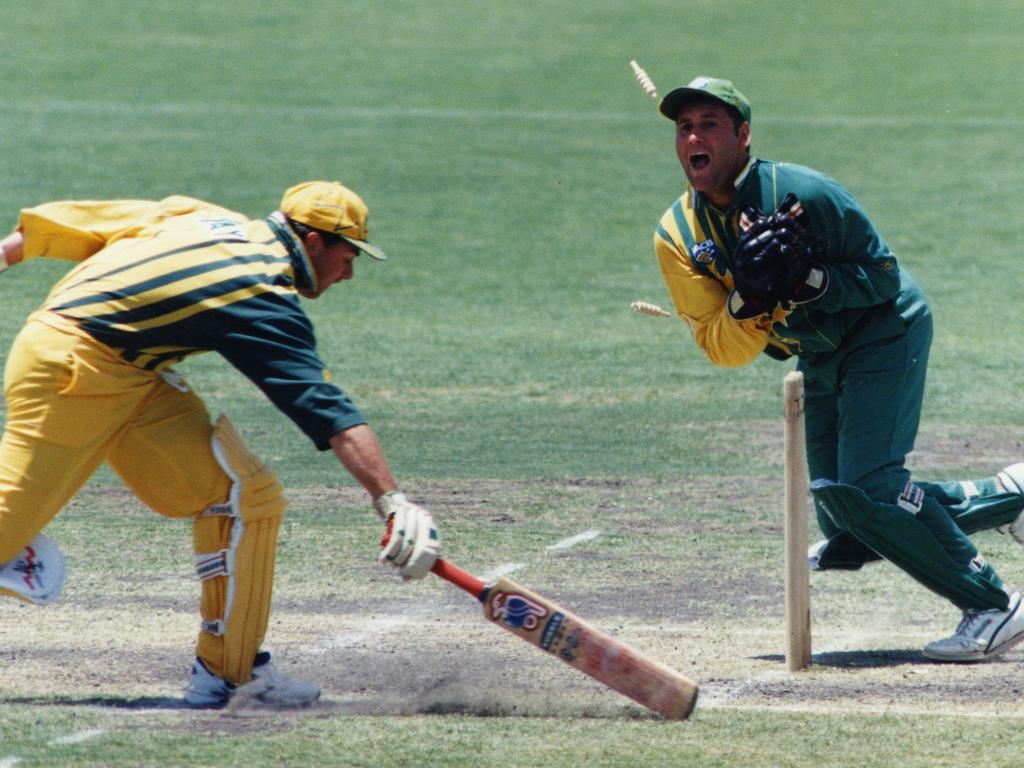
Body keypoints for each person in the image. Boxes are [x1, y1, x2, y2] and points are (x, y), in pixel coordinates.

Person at [0, 180, 441, 705]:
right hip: (72, 372)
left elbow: (67, 225)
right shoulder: (257, 291)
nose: (349, 272)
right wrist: (390, 500)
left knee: (242, 496)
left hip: (131, 375)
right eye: (349, 256)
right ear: (314, 242)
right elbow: (323, 406)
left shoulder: (202, 216)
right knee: (6, 527)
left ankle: (230, 672)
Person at [650, 76, 1024, 661]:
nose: (694, 136)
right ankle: (1011, 496)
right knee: (845, 515)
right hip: (818, 351)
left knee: (869, 487)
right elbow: (720, 346)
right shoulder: (677, 235)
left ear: (743, 136)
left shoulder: (804, 192)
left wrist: (811, 280)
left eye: (710, 124)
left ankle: (993, 604)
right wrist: (748, 302)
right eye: (684, 127)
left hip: (883, 328)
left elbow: (882, 276)